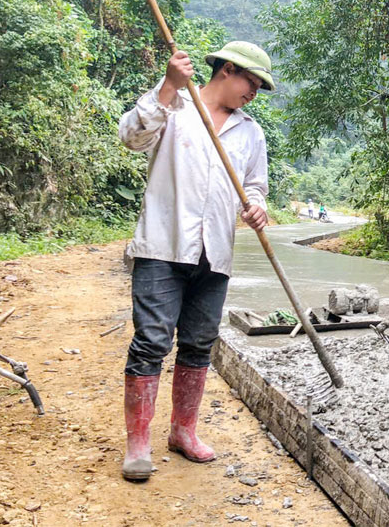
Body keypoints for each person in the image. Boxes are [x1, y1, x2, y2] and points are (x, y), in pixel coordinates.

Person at [117, 41, 275, 481]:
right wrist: (168, 85)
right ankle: (138, 444)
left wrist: (257, 206)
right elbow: (130, 137)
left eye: (260, 87)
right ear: (226, 70)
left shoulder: (251, 132)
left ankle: (183, 431)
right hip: (162, 247)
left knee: (199, 344)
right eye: (252, 82)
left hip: (215, 254)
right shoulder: (174, 105)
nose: (254, 93)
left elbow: (256, 185)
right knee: (150, 342)